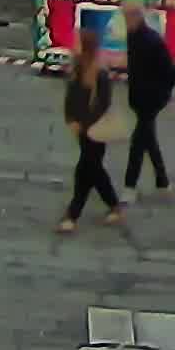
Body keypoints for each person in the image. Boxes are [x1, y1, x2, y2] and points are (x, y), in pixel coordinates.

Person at [59, 28, 129, 234]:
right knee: (95, 170)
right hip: (81, 128)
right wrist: (71, 119)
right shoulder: (77, 69)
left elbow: (103, 104)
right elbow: (70, 98)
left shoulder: (100, 74)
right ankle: (114, 206)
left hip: (96, 129)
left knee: (85, 171)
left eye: (77, 43)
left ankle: (72, 215)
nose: (73, 46)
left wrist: (87, 124)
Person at [120, 4, 175, 194]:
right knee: (148, 139)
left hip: (151, 98)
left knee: (138, 142)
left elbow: (169, 72)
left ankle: (130, 186)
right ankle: (162, 181)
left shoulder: (152, 41)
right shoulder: (134, 37)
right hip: (139, 97)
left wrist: (161, 96)